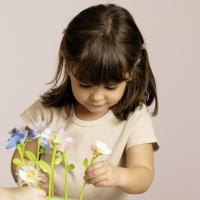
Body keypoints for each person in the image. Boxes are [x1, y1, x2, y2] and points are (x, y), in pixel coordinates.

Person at [11, 3, 159, 200]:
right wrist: (29, 178)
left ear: (132, 68)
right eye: (85, 85)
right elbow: (21, 159)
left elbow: (143, 175)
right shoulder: (48, 112)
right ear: (67, 63)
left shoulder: (134, 116)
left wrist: (117, 175)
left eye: (110, 87)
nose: (97, 97)